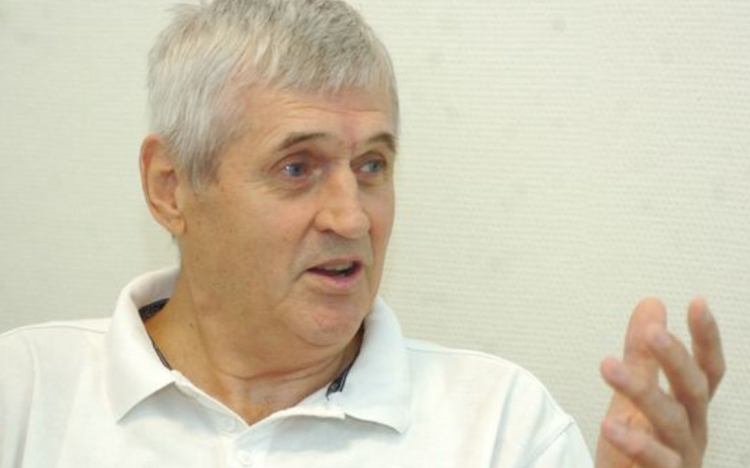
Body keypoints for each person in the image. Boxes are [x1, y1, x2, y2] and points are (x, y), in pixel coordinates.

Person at [0, 0, 724, 466]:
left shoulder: (502, 425)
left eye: (372, 165)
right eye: (296, 168)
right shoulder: (24, 393)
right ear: (171, 187)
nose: (351, 218)